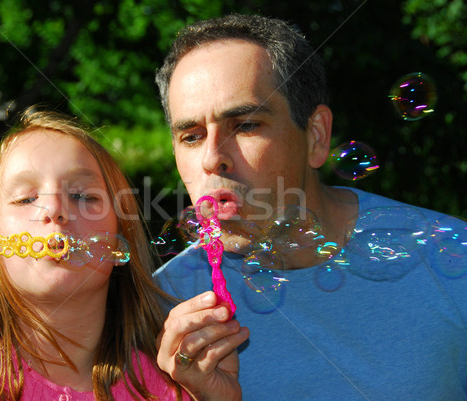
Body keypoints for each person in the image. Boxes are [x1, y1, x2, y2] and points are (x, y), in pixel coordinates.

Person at [153, 14, 467, 400]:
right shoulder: (160, 306)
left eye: (246, 125)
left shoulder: (451, 262)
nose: (212, 158)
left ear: (316, 136)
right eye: (192, 136)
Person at [0, 108, 204, 401]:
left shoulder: (168, 379)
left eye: (83, 195)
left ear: (120, 236)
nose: (55, 210)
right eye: (26, 199)